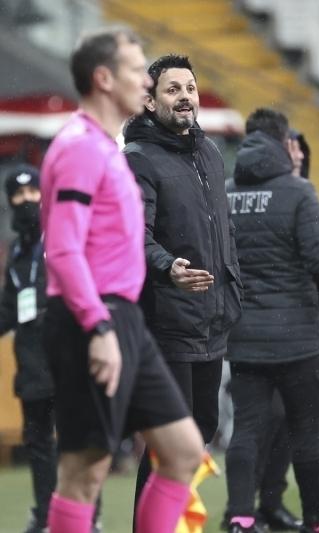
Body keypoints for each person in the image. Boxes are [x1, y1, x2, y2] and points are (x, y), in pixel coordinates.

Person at [39, 27, 204, 533]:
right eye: (136, 71)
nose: (145, 82)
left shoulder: (107, 147)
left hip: (126, 318)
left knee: (183, 451)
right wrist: (99, 326)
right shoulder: (79, 149)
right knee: (85, 473)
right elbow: (61, 249)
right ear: (104, 79)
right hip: (92, 319)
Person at [224, 107, 319, 533]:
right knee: (305, 432)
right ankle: (315, 523)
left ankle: (241, 518)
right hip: (298, 337)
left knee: (246, 429)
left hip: (244, 335)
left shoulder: (225, 193)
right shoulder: (298, 192)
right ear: (283, 142)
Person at [122, 54, 242, 514]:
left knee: (201, 430)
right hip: (167, 319)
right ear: (150, 102)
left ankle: (168, 518)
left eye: (190, 88)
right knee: (173, 440)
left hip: (211, 316)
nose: (185, 97)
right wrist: (168, 267)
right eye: (173, 89)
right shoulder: (138, 159)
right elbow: (134, 235)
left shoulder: (209, 152)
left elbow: (223, 228)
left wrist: (233, 284)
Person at [0, 165, 56, 533]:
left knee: (81, 443)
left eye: (33, 192)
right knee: (38, 444)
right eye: (18, 195)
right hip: (32, 365)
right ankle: (46, 515)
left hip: (67, 356)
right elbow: (7, 311)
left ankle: (86, 515)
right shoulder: (17, 252)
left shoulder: (61, 240)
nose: (26, 200)